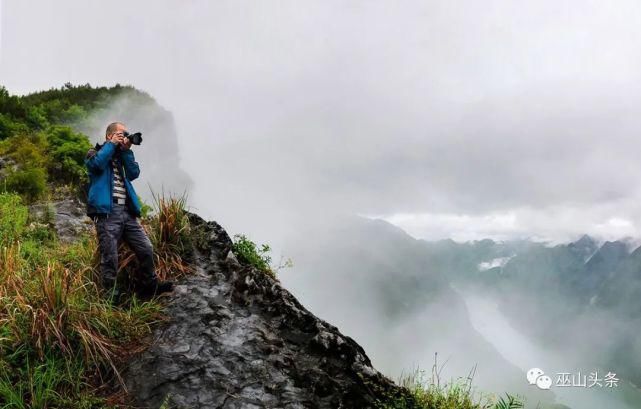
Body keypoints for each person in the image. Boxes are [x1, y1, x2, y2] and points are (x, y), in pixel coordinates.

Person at [85, 122, 173, 303]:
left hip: (127, 212)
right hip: (107, 213)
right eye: (120, 133)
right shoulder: (94, 153)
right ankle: (110, 297)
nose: (124, 136)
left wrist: (125, 150)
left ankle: (150, 285)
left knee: (146, 248)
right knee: (109, 256)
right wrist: (111, 146)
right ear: (109, 136)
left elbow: (134, 173)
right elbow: (98, 166)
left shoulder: (120, 157)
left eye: (125, 133)